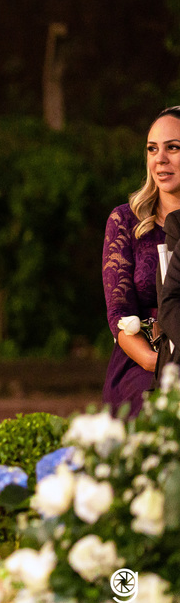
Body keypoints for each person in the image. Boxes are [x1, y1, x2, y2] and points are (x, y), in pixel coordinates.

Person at [102, 106, 180, 416]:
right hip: (144, 362)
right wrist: (157, 362)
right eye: (152, 149)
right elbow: (118, 312)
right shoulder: (125, 221)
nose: (160, 158)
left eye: (173, 148)